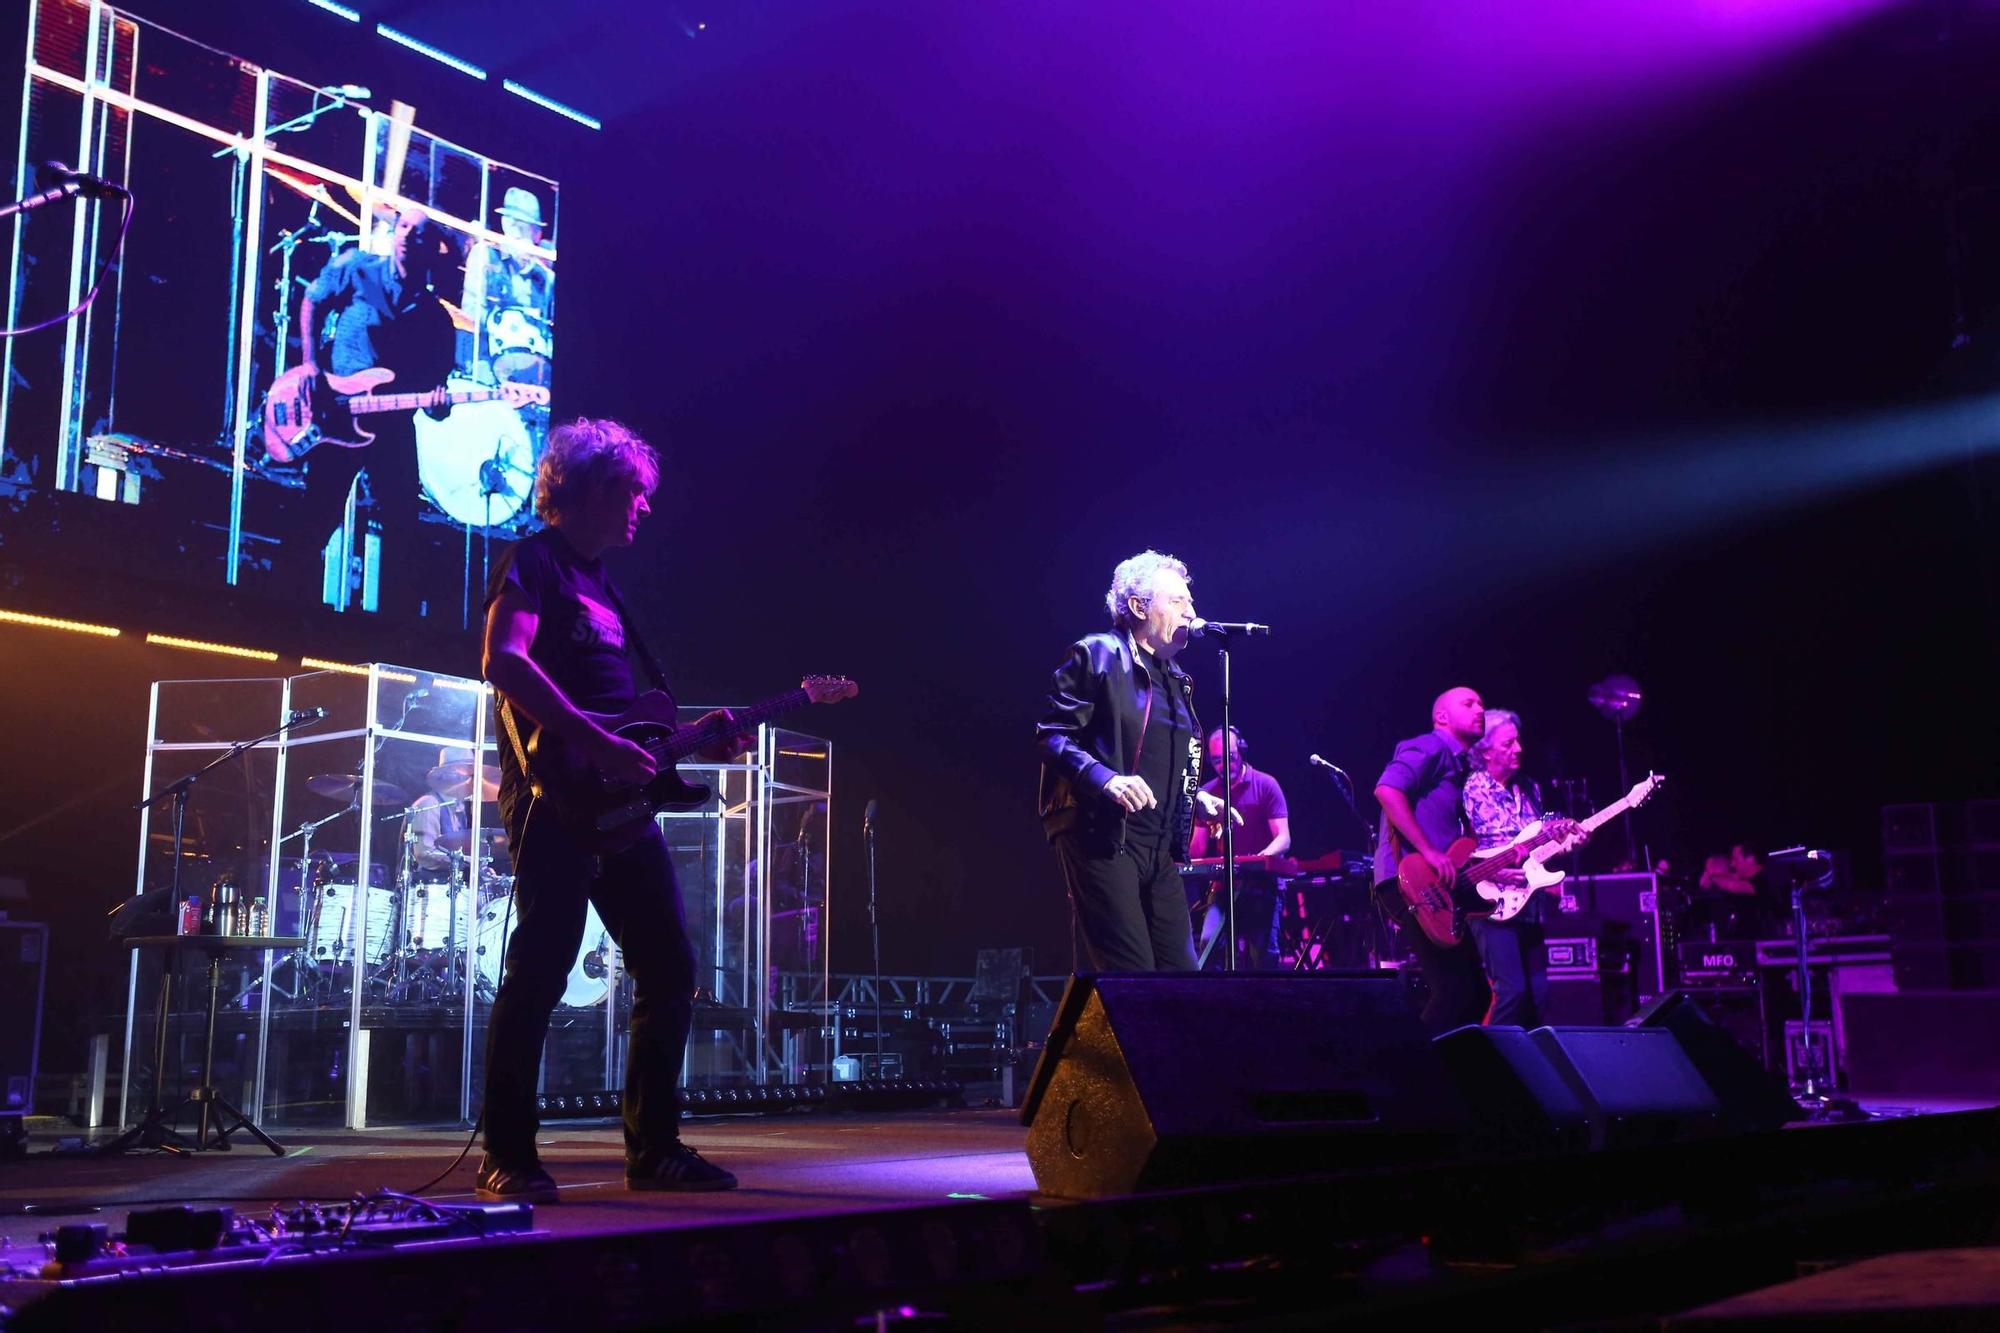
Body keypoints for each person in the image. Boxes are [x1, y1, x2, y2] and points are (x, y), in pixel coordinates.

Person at [476, 417, 745, 1203]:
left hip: (621, 810)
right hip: (553, 799)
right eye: (632, 492)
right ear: (591, 489)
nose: (643, 508)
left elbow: (631, 725)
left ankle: (654, 1148)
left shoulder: (609, 590)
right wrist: (594, 742)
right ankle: (508, 1154)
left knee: (671, 968)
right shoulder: (533, 560)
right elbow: (503, 661)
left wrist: (691, 738)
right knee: (539, 973)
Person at [1036, 550, 1234, 972]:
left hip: (1159, 847)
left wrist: (1192, 798)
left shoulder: (1176, 678)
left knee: (1184, 978)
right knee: (1134, 978)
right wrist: (1105, 780)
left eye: (1191, 602)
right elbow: (1052, 735)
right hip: (1102, 835)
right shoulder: (1096, 655)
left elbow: (1156, 756)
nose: (1191, 611)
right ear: (1139, 606)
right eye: (1178, 601)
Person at [294, 206, 459, 615]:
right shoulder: (356, 267)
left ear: (432, 248)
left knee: (403, 522)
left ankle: (395, 628)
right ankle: (291, 608)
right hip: (338, 411)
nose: (405, 235)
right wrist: (312, 363)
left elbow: (433, 394)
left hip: (391, 427)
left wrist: (439, 406)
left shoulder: (436, 319)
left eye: (417, 233)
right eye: (402, 226)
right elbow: (313, 302)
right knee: (319, 512)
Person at [1373, 687, 1491, 1032]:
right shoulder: (1431, 746)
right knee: (1454, 990)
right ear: (1441, 716)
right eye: (1468, 704)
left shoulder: (1457, 763)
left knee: (1475, 994)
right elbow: (1387, 789)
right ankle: (1418, 1072)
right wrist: (1427, 850)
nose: (1479, 709)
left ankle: (1450, 1074)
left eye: (1482, 704)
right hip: (1410, 879)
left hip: (1435, 883)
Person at [1462, 709, 1585, 1027]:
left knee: (1540, 996)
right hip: (1491, 903)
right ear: (1485, 750)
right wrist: (1494, 871)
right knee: (1511, 992)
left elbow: (1537, 848)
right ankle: (1492, 1064)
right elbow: (1459, 849)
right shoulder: (1470, 789)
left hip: (1530, 902)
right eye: (1508, 743)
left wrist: (1568, 841)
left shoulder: (1530, 788)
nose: (1519, 749)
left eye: (1518, 741)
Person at [1188, 726, 1291, 968]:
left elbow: (1284, 838)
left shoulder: (1266, 785)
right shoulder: (1209, 793)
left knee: (1263, 956)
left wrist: (1257, 861)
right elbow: (1196, 850)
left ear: (1241, 751)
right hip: (1224, 886)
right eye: (1216, 761)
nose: (1224, 765)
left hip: (1262, 886)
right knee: (1208, 944)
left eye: (1229, 757)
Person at [463, 187, 554, 388]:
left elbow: (550, 322)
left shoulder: (544, 275)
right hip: (487, 359)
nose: (516, 229)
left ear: (536, 233)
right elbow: (471, 311)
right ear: (506, 224)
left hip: (534, 368)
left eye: (524, 226)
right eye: (513, 223)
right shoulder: (485, 255)